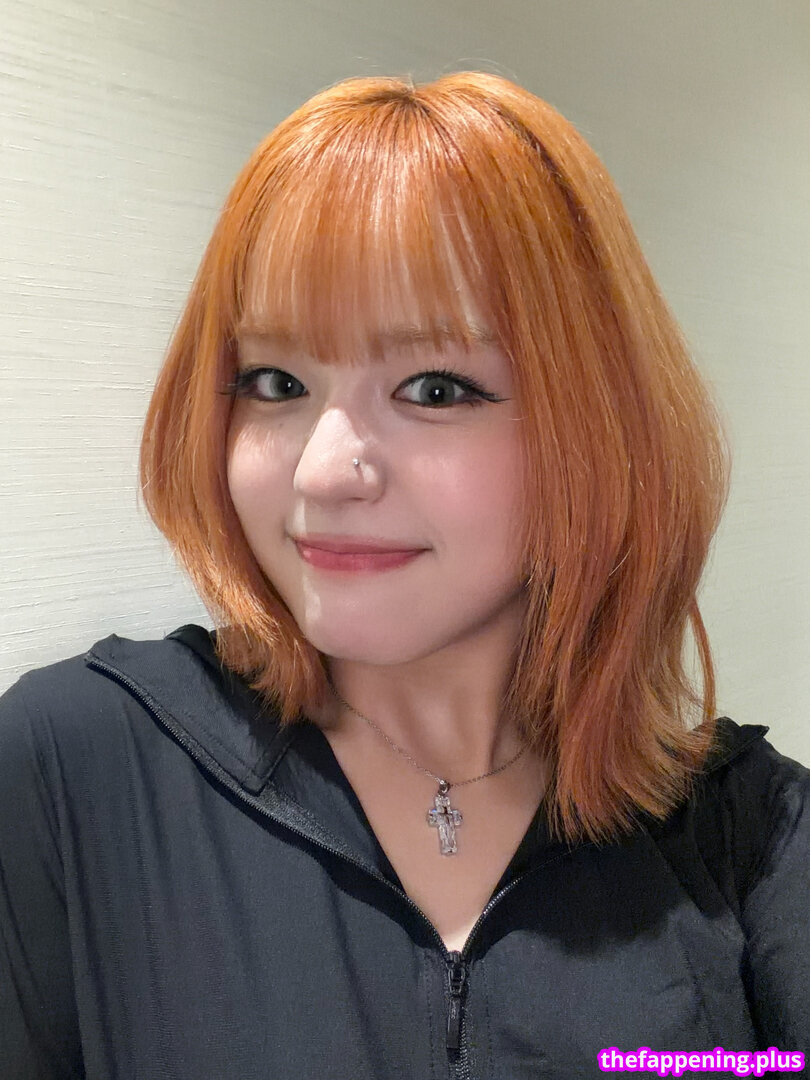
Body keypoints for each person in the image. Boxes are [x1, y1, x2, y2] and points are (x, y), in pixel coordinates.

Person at [1, 71, 808, 1080]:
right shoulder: (74, 769)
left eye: (434, 388)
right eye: (275, 382)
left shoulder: (754, 842)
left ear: (598, 431)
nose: (322, 472)